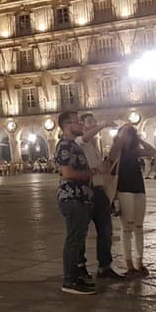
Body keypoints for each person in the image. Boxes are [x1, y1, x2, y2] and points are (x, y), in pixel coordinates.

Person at [75, 114, 124, 280]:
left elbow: (103, 167)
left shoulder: (94, 145)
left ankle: (105, 265)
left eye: (94, 121)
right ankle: (80, 266)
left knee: (105, 230)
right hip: (85, 191)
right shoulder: (79, 141)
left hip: (99, 190)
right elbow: (86, 137)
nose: (94, 124)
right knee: (80, 231)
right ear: (82, 125)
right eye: (90, 122)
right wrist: (103, 124)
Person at [54, 111, 97, 295]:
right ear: (66, 126)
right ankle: (69, 281)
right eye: (77, 122)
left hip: (80, 197)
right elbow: (68, 173)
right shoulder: (64, 145)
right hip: (71, 197)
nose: (81, 124)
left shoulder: (72, 144)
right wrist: (91, 173)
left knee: (78, 240)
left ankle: (75, 276)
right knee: (73, 240)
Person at [108, 124, 156, 277]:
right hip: (123, 190)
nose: (128, 135)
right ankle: (129, 264)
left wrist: (140, 139)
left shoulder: (135, 151)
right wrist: (121, 138)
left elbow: (153, 152)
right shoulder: (118, 150)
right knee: (127, 227)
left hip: (139, 189)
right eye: (125, 132)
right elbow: (111, 155)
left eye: (131, 133)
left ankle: (140, 262)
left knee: (139, 226)